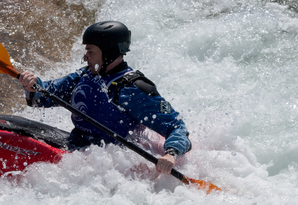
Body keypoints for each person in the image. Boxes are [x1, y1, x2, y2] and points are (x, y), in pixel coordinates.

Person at [18, 21, 191, 175]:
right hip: (77, 147)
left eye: (90, 51)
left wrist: (171, 153)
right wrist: (32, 84)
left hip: (111, 166)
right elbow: (45, 95)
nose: (85, 57)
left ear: (108, 53)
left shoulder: (133, 89)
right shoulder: (85, 75)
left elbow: (176, 126)